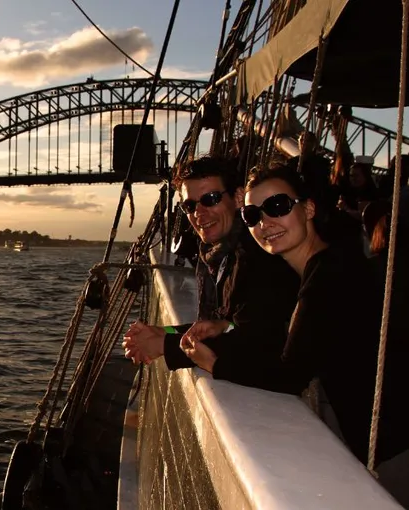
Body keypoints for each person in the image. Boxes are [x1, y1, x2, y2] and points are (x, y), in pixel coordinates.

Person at [181, 166, 409, 485]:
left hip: (395, 449)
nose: (265, 223)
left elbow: (290, 374)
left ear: (309, 208)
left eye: (277, 206)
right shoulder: (327, 266)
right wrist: (226, 327)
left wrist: (215, 364)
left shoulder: (328, 277)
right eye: (252, 215)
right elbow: (300, 339)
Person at [122, 156, 298, 370]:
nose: (199, 213)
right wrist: (166, 331)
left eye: (211, 198)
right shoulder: (219, 254)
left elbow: (259, 343)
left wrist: (163, 345)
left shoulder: (260, 256)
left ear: (238, 197)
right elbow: (232, 325)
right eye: (189, 205)